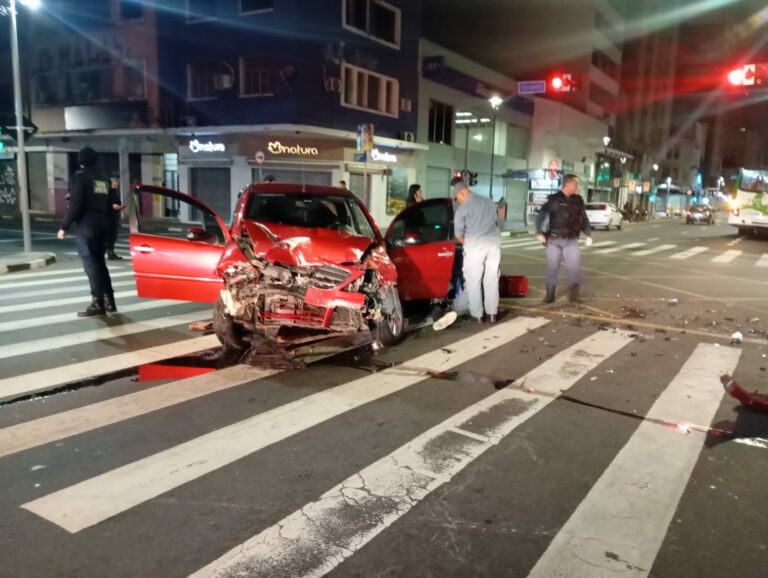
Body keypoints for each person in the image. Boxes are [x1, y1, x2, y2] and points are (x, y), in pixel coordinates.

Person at [433, 177, 501, 330]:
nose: (458, 200)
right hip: (493, 245)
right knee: (491, 280)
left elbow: (459, 234)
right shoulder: (489, 202)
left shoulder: (463, 208)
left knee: (473, 281)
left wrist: (468, 244)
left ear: (462, 193)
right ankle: (492, 314)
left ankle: (478, 315)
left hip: (475, 246)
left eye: (458, 197)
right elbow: (495, 222)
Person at [57, 147, 117, 317]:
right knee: (100, 264)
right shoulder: (104, 178)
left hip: (87, 226)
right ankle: (109, 301)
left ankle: (97, 303)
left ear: (81, 161)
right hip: (103, 223)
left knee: (91, 265)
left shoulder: (80, 177)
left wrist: (64, 226)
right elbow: (110, 204)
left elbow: (76, 205)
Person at [535, 174, 592, 304]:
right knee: (552, 268)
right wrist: (539, 232)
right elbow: (541, 216)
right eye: (576, 184)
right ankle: (549, 296)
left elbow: (584, 219)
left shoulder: (578, 200)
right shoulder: (554, 199)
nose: (578, 187)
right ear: (568, 184)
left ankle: (574, 296)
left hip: (571, 240)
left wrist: (588, 234)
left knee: (574, 268)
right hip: (554, 240)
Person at [106, 177, 125, 260]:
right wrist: (113, 206)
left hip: (114, 216)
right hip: (107, 216)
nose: (116, 187)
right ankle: (108, 252)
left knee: (113, 235)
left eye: (117, 186)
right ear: (110, 184)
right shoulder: (107, 192)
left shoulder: (115, 193)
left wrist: (120, 207)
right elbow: (106, 203)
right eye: (114, 185)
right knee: (108, 236)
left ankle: (111, 252)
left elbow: (117, 202)